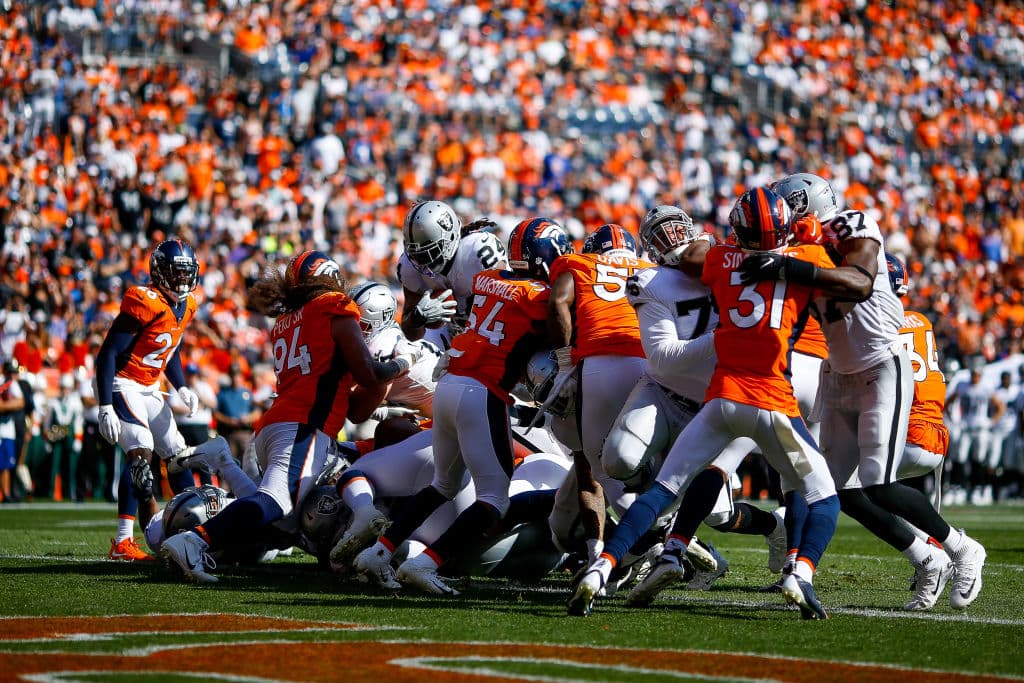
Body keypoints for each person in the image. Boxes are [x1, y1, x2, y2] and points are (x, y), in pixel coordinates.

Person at [570, 187, 841, 620]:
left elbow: (701, 257)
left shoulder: (721, 261)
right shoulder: (807, 262)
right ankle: (799, 572)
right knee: (823, 497)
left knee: (664, 491)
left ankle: (602, 569)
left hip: (721, 400)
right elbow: (855, 285)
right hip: (771, 400)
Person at [758, 172, 986, 610]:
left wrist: (790, 266)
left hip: (882, 367)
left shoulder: (849, 224)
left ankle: (961, 547)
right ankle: (924, 558)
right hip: (837, 374)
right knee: (836, 491)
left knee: (879, 485)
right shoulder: (799, 250)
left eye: (788, 206)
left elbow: (859, 282)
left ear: (806, 203)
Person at [160, 250, 419, 582]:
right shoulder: (333, 308)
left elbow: (353, 403)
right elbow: (370, 373)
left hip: (279, 425)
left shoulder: (287, 320)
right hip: (303, 427)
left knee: (283, 523)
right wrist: (403, 362)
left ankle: (221, 472)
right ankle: (195, 541)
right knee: (274, 502)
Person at [353, 217, 572, 595]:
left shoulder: (490, 280)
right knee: (494, 498)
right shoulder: (537, 297)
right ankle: (424, 563)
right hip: (481, 391)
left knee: (444, 483)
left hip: (449, 379)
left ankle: (378, 553)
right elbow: (559, 318)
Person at [596, 206, 787, 601]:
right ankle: (661, 522)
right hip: (662, 390)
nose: (670, 239)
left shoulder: (725, 263)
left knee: (716, 512)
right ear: (648, 248)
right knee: (618, 459)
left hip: (712, 404)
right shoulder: (651, 281)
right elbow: (664, 356)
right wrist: (725, 337)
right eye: (660, 234)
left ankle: (774, 529)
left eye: (675, 229)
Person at [545, 223, 653, 571]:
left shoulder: (577, 263)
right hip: (649, 362)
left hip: (602, 362)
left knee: (595, 462)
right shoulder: (649, 268)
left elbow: (559, 302)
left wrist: (563, 363)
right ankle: (671, 536)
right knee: (653, 458)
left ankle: (659, 534)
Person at [94, 239, 208, 561]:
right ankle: (122, 541)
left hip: (149, 386)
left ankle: (195, 527)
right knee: (140, 451)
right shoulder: (145, 300)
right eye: (177, 274)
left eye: (187, 274)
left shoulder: (187, 306)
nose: (184, 281)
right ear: (160, 273)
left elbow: (168, 348)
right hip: (122, 382)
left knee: (178, 453)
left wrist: (182, 386)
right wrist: (105, 405)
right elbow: (107, 356)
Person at [398, 200, 508, 348]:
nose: (423, 262)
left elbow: (507, 306)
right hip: (449, 334)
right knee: (412, 349)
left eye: (431, 252)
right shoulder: (409, 266)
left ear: (449, 238)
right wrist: (417, 319)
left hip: (494, 332)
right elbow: (410, 333)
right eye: (417, 255)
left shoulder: (477, 251)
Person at [43, 374, 84, 501]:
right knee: (54, 464)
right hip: (56, 435)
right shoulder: (53, 402)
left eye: (66, 388)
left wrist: (78, 439)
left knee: (71, 466)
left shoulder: (75, 402)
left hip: (70, 434)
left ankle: (70, 492)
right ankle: (50, 492)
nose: (64, 390)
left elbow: (78, 422)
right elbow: (47, 422)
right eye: (62, 388)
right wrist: (47, 439)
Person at [213, 363, 259, 463]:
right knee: (228, 463)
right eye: (233, 375)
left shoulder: (247, 392)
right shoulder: (223, 393)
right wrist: (228, 420)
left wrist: (248, 418)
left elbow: (257, 412)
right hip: (228, 433)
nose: (236, 378)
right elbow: (216, 413)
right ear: (230, 376)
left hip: (244, 432)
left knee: (248, 463)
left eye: (238, 375)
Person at [0, 359, 25, 502]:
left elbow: (20, 402)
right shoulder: (3, 382)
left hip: (7, 428)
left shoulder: (12, 384)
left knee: (7, 464)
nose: (13, 375)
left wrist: (4, 406)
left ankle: (7, 493)